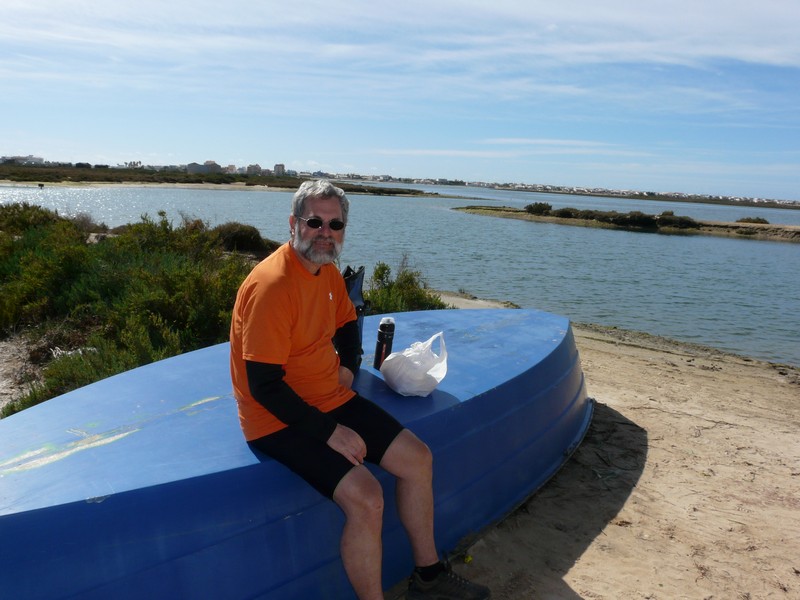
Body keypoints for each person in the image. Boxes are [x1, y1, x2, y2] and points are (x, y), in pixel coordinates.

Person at [230, 180, 490, 600]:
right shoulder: (273, 286)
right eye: (314, 221)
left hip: (330, 397)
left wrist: (349, 367)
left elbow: (348, 324)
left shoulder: (327, 271)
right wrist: (330, 432)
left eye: (336, 224)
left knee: (417, 459)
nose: (325, 232)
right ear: (293, 223)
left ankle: (428, 577)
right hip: (275, 419)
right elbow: (264, 387)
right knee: (367, 498)